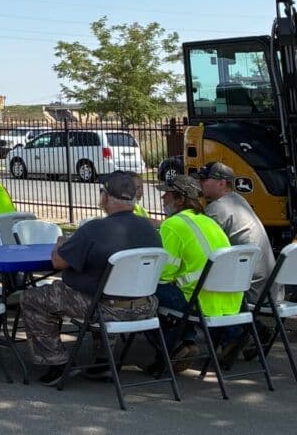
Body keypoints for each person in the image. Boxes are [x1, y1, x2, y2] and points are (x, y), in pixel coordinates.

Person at [20, 171, 162, 386]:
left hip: (105, 309)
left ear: (105, 197)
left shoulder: (95, 229)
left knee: (32, 297)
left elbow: (59, 263)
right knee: (103, 292)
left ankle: (56, 362)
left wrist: (60, 244)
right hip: (146, 307)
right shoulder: (150, 229)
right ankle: (103, 362)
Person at [148, 174, 234, 375]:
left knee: (141, 295)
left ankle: (173, 347)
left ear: (180, 199)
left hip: (197, 298)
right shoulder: (208, 222)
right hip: (227, 299)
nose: (163, 200)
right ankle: (185, 340)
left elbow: (163, 273)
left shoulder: (173, 225)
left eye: (167, 195)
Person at [199, 162, 280, 304]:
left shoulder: (217, 209)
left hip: (251, 292)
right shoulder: (238, 200)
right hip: (269, 291)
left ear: (222, 183)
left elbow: (197, 242)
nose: (200, 183)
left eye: (205, 180)